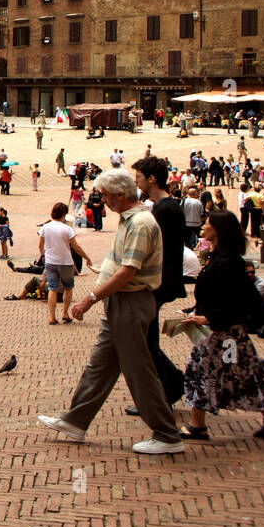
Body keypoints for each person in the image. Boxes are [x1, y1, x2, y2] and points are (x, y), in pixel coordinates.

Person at [38, 168, 186, 454]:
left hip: (130, 302)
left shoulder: (140, 223)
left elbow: (128, 271)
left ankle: (167, 435)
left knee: (139, 371)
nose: (102, 200)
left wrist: (90, 299)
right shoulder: (130, 220)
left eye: (105, 195)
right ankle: (75, 421)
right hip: (120, 302)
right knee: (100, 366)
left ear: (120, 195)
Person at [178, 212, 264, 441]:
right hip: (226, 333)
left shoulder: (228, 263)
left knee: (203, 372)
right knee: (240, 373)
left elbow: (235, 300)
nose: (203, 226)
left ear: (219, 230)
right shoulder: (220, 258)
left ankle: (198, 425)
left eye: (208, 223)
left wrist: (208, 318)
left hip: (221, 333)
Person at [129, 156, 189, 414]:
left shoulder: (166, 209)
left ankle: (166, 390)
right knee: (147, 339)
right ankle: (171, 385)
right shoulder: (165, 206)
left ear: (152, 178)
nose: (137, 183)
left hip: (159, 282)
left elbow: (159, 250)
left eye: (140, 178)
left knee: (146, 341)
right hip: (162, 280)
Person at [38, 202, 94, 325]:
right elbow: (76, 247)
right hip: (65, 262)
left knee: (52, 288)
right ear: (64, 214)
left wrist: (43, 255)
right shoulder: (67, 229)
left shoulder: (45, 227)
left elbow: (40, 245)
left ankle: (52, 317)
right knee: (68, 287)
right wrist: (87, 258)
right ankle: (65, 313)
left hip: (51, 261)